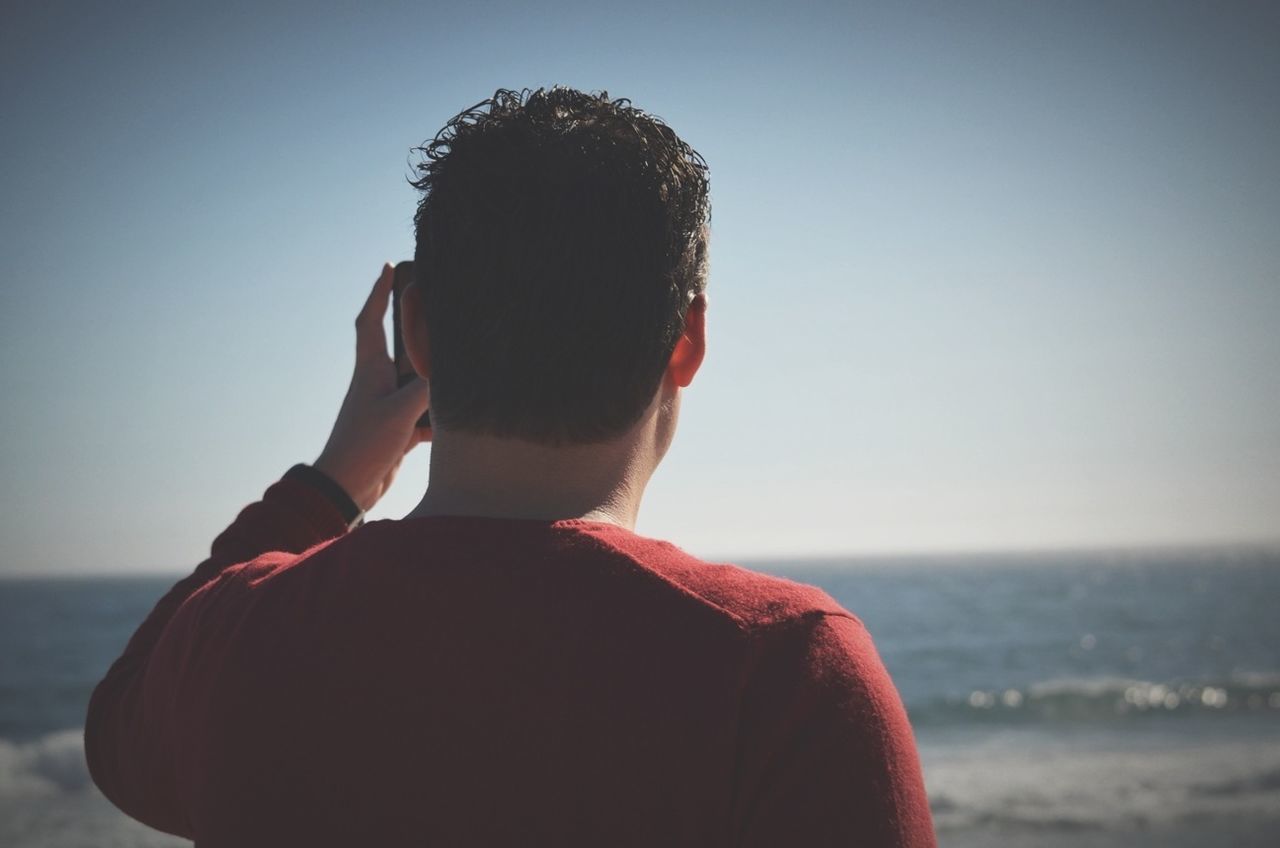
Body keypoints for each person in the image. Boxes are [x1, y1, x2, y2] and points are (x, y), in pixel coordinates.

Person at [84, 86, 936, 847]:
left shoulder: (237, 633)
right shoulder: (786, 672)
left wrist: (330, 482)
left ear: (416, 331)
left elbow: (117, 733)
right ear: (688, 341)